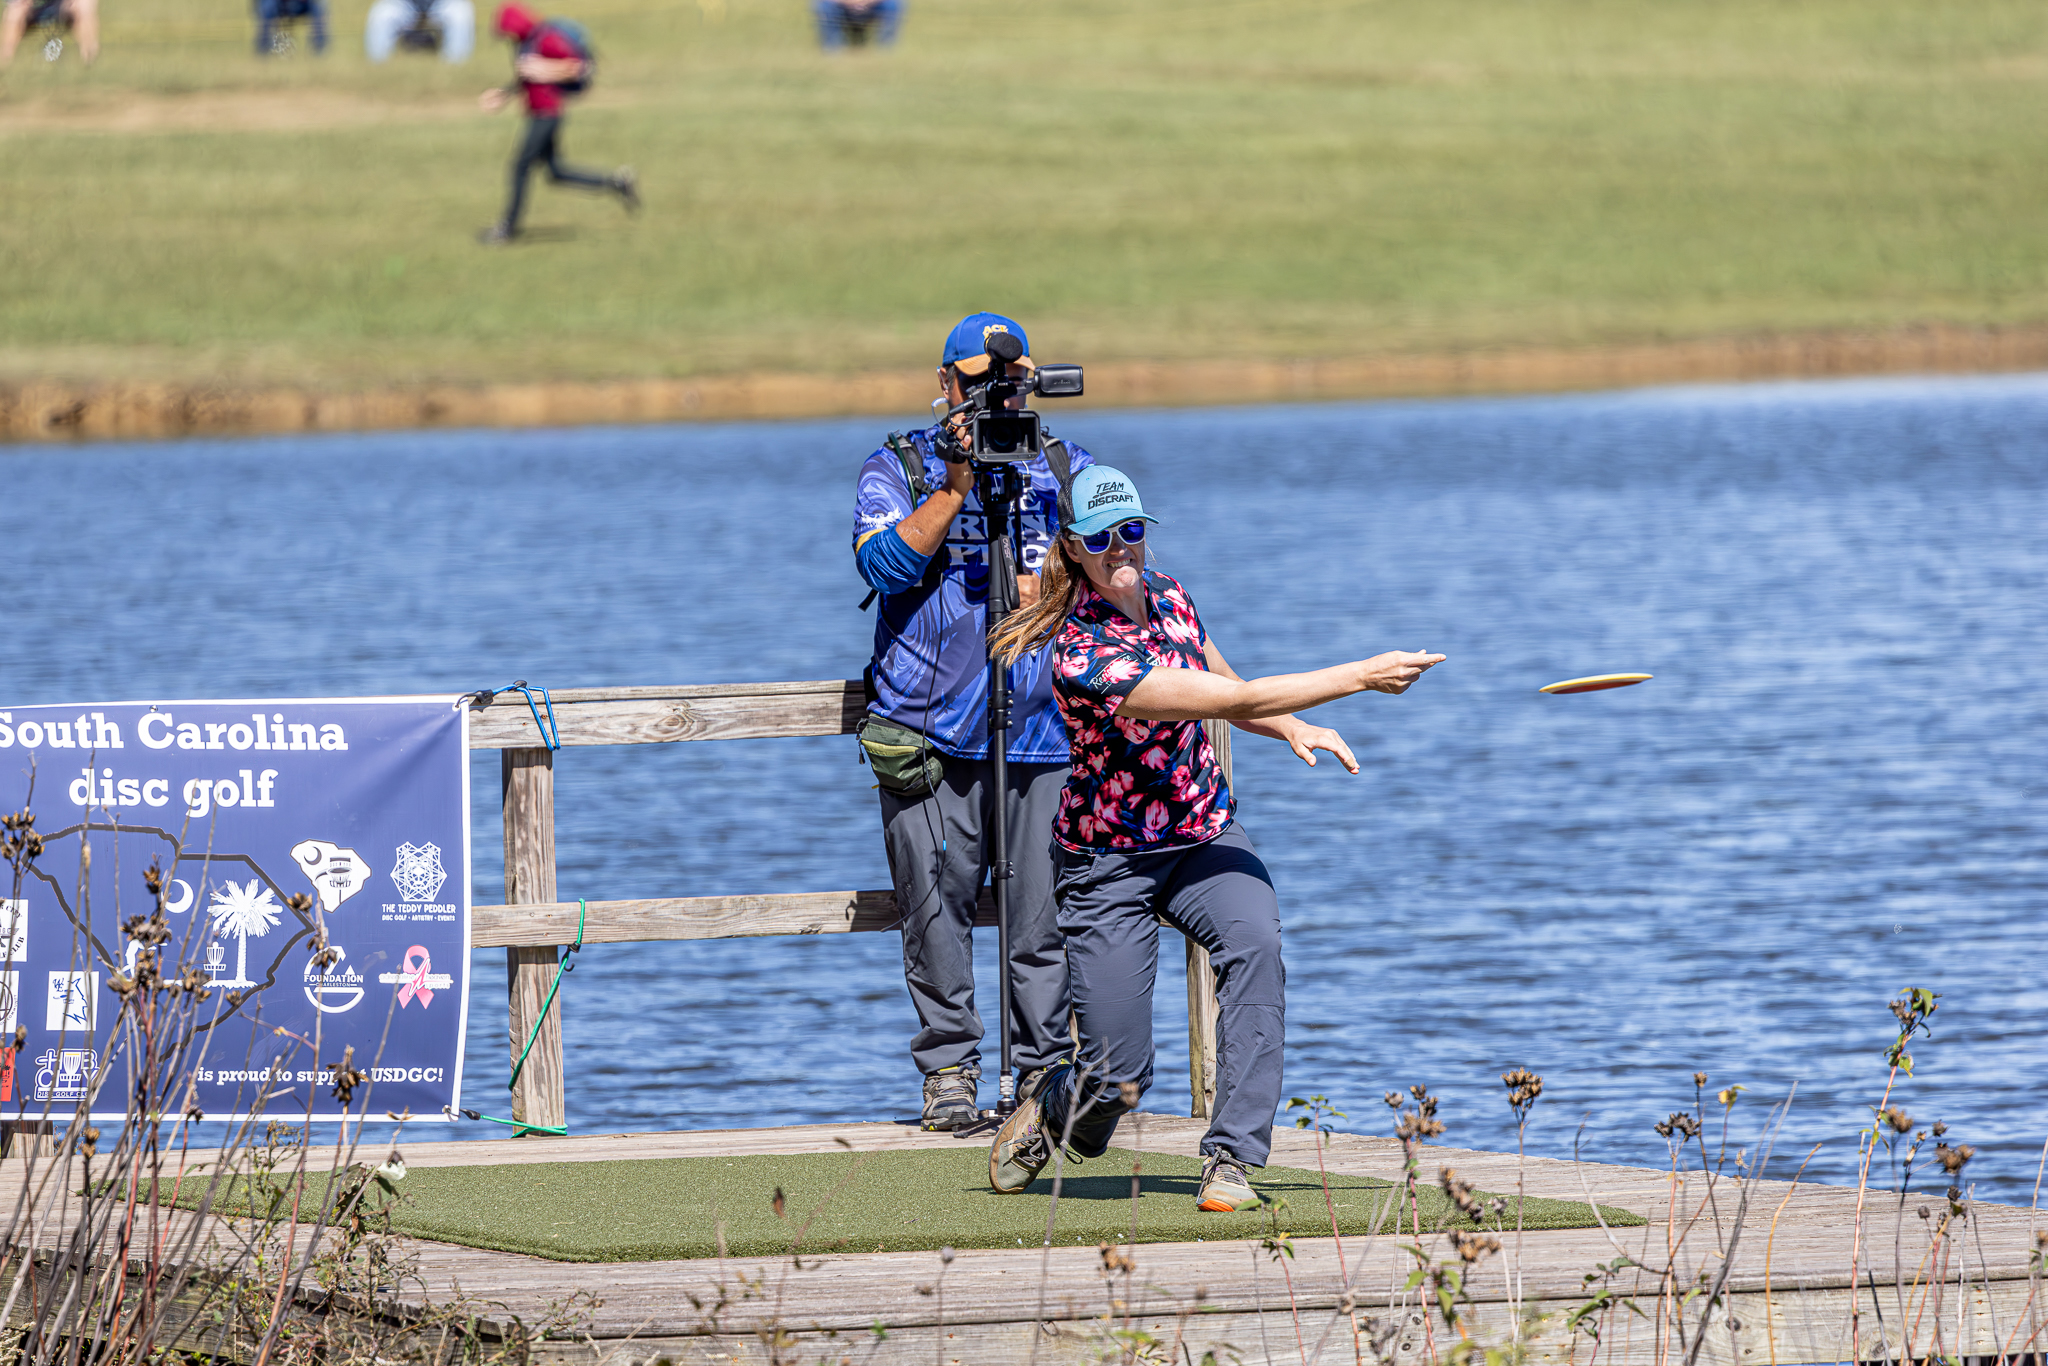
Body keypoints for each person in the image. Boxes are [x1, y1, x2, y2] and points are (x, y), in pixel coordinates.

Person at [983, 465, 1445, 1210]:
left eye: (1131, 531)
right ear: (1071, 549)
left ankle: (1230, 1158)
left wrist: (1292, 726)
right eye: (1099, 538)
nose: (1120, 549)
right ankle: (1063, 1098)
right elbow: (1229, 696)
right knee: (1118, 1076)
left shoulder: (1171, 598)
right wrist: (1360, 674)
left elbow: (1225, 682)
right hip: (1108, 864)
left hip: (1202, 837)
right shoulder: (1082, 654)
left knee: (1256, 945)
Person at [853, 312, 1096, 1131]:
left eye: (1012, 381)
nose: (997, 396)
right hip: (929, 735)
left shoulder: (1064, 466)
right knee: (934, 912)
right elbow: (884, 566)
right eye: (980, 382)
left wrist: (1058, 584)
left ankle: (1042, 1080)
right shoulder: (900, 464)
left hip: (1044, 735)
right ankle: (950, 1072)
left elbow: (1123, 569)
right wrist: (955, 485)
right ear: (944, 383)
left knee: (1044, 923)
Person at [477, 3, 637, 244]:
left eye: (507, 31)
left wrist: (545, 70)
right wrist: (503, 94)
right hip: (537, 112)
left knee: (520, 167)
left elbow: (578, 67)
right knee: (556, 173)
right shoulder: (525, 42)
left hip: (548, 113)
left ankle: (508, 229)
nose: (506, 37)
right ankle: (617, 182)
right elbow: (526, 75)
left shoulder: (546, 37)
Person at [366, 0, 474, 62]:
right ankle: (376, 68)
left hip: (444, 2)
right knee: (382, 16)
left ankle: (456, 68)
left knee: (460, 15)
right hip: (403, 3)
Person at [0, 0, 97, 65]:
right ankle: (4, 62)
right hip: (32, 6)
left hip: (62, 4)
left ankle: (90, 61)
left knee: (84, 6)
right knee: (15, 13)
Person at [254, 0, 326, 55]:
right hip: (277, 4)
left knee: (317, 6)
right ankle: (263, 50)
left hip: (300, 4)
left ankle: (319, 50)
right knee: (267, 7)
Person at [815, 0, 898, 48]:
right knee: (824, 5)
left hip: (873, 6)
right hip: (841, 6)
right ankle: (832, 49)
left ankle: (886, 49)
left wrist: (865, 2)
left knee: (892, 4)